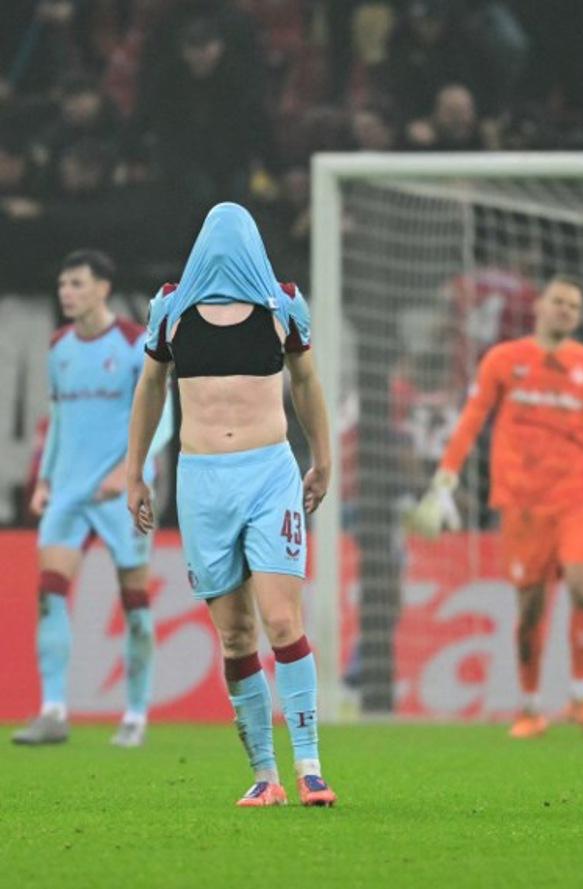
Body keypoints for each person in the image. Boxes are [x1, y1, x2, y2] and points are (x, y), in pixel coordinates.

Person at [125, 203, 336, 807]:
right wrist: (135, 470)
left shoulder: (282, 307)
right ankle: (265, 775)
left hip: (269, 476)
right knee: (237, 636)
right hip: (201, 483)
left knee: (281, 621)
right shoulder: (170, 309)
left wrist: (322, 458)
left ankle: (310, 766)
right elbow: (150, 388)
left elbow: (307, 382)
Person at [409, 276, 583, 738]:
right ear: (538, 306)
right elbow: (472, 421)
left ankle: (581, 698)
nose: (565, 310)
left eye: (574, 305)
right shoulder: (504, 360)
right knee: (531, 608)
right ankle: (531, 707)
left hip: (576, 497)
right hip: (522, 503)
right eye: (558, 302)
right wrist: (444, 483)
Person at [12, 249, 174, 748]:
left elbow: (163, 418)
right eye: (63, 284)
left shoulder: (133, 344)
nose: (67, 292)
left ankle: (135, 713)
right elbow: (58, 421)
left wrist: (129, 472)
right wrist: (43, 479)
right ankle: (54, 710)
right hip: (68, 493)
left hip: (119, 494)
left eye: (77, 284)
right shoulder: (59, 346)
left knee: (135, 606)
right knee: (49, 593)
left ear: (103, 288)